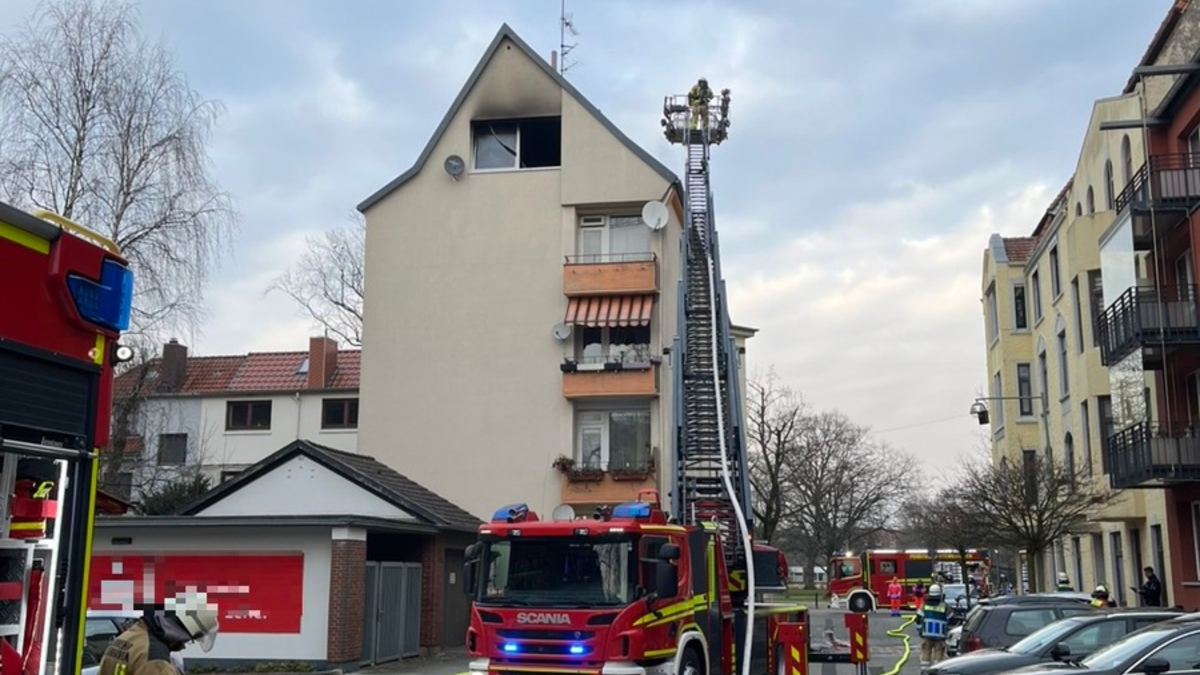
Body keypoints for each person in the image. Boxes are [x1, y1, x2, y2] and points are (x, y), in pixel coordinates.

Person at [99, 591, 220, 675]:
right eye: (189, 639)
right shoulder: (157, 662)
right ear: (182, 631)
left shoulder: (132, 635)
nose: (184, 645)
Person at [917, 583, 953, 670]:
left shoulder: (924, 605)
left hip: (927, 635)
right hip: (940, 636)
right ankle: (937, 671)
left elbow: (918, 618)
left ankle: (924, 671)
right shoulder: (944, 606)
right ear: (940, 594)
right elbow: (951, 618)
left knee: (926, 653)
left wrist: (919, 630)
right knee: (938, 655)